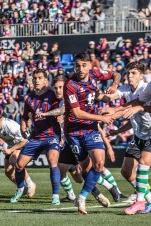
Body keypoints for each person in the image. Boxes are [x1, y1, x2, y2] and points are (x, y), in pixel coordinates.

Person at [63, 52, 121, 214]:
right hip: (73, 131)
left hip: (90, 129)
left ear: (90, 65)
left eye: (83, 65)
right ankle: (105, 188)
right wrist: (101, 118)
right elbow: (77, 113)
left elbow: (116, 74)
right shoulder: (70, 85)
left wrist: (115, 85)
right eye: (77, 66)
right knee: (87, 169)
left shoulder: (95, 74)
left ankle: (81, 198)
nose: (80, 69)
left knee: (99, 164)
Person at [100, 61, 151, 214]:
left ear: (141, 76)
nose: (129, 76)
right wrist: (95, 93)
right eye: (128, 73)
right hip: (138, 136)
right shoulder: (126, 89)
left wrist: (115, 111)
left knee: (143, 164)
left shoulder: (146, 87)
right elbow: (111, 99)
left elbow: (133, 108)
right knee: (126, 172)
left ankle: (139, 201)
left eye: (133, 73)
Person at [10, 69, 61, 205]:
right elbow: (25, 117)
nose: (36, 80)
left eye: (39, 78)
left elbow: (62, 109)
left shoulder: (53, 94)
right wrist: (23, 126)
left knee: (52, 161)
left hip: (52, 135)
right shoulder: (30, 99)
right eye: (34, 78)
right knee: (19, 164)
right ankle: (21, 188)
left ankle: (55, 196)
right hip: (36, 137)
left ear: (45, 80)